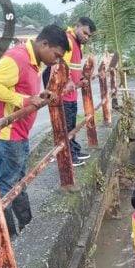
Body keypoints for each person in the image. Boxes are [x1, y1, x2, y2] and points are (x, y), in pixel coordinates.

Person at [0, 24, 69, 237]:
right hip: (7, 136)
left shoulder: (33, 60)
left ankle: (27, 227)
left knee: (18, 183)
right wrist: (24, 100)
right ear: (44, 44)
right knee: (7, 188)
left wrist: (39, 97)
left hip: (18, 134)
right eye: (56, 55)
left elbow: (21, 87)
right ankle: (9, 239)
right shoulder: (17, 58)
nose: (57, 61)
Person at [43, 17, 96, 166]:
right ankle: (67, 156)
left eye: (89, 36)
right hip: (63, 92)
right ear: (77, 27)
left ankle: (74, 150)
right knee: (64, 125)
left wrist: (78, 80)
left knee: (71, 124)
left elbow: (74, 67)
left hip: (71, 93)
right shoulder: (68, 41)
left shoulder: (78, 44)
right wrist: (68, 81)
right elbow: (58, 63)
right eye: (85, 33)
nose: (86, 37)